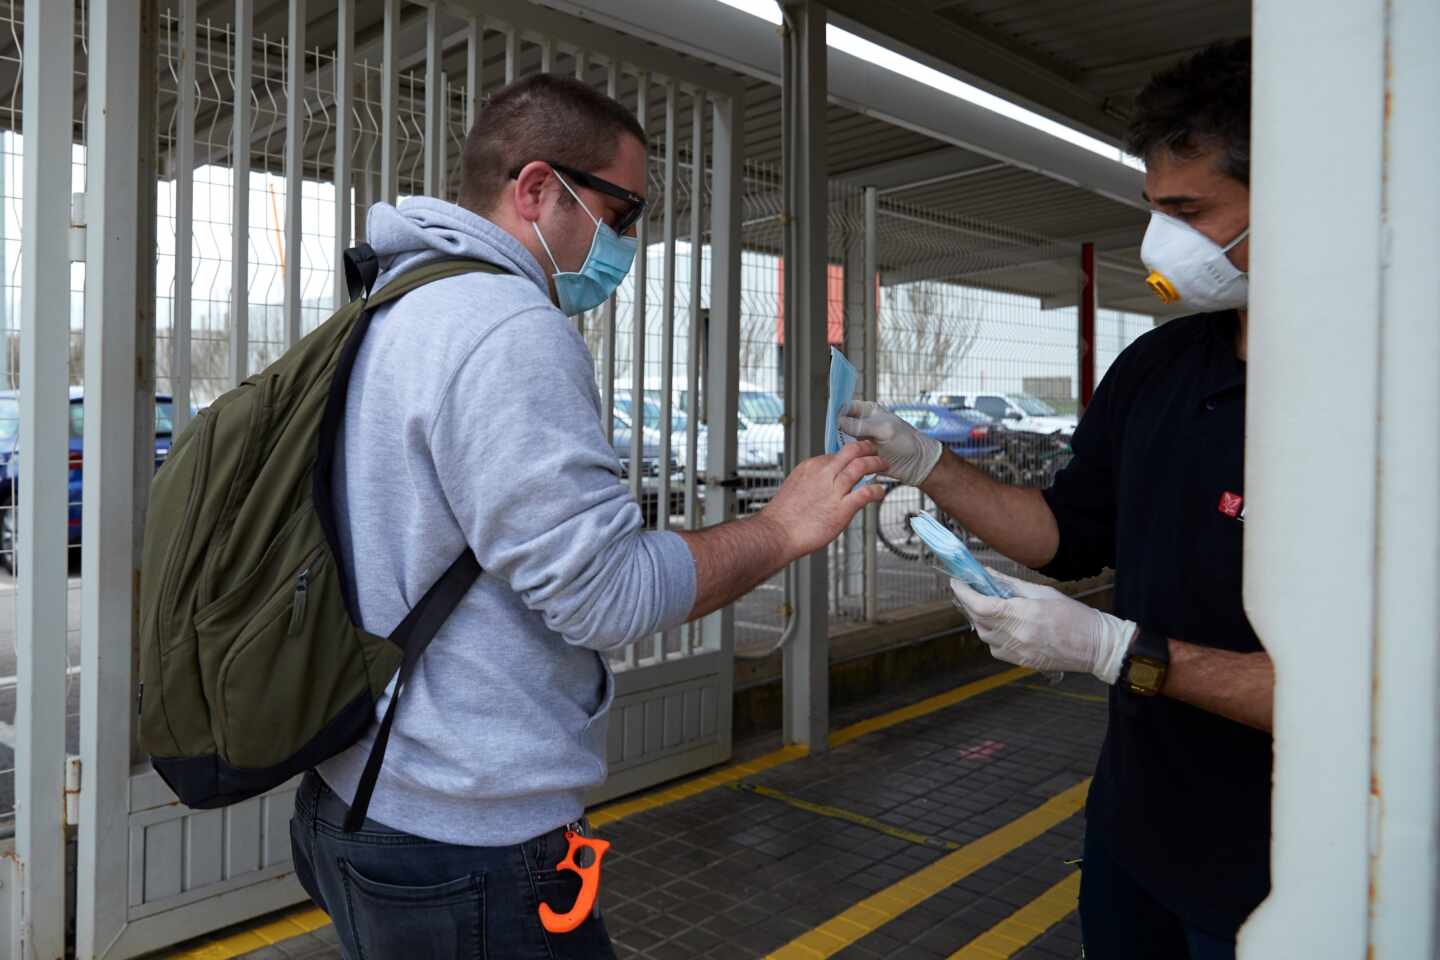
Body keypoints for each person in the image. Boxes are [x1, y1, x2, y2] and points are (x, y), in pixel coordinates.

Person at [288, 74, 887, 960]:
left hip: (355, 793)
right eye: (623, 212)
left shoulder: (392, 303)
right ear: (536, 189)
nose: (629, 242)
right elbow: (602, 595)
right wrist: (781, 528)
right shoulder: (504, 327)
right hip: (463, 830)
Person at [841, 39, 1264, 960]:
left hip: (1285, 872)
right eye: (1156, 211)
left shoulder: (1384, 401)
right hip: (1135, 832)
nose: (1165, 242)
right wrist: (926, 467)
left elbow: (1375, 702)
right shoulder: (1157, 367)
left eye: (1191, 212)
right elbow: (1068, 536)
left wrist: (1116, 649)